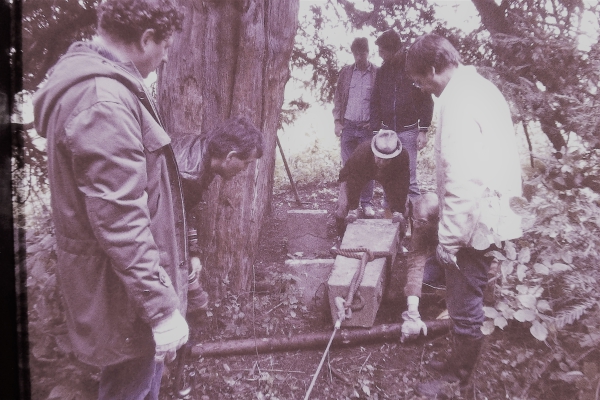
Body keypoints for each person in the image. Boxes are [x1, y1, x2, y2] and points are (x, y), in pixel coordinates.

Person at [31, 0, 242, 398]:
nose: (163, 60)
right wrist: (161, 309)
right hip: (124, 295)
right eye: (164, 50)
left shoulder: (102, 86)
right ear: (147, 40)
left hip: (124, 286)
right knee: (130, 390)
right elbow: (121, 220)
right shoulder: (105, 101)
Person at [405, 34, 523, 396]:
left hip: (476, 217)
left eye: (420, 80)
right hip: (491, 208)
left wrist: (450, 238)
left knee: (463, 297)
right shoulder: (480, 88)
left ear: (434, 68)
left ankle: (458, 379)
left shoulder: (458, 101)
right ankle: (459, 361)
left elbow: (462, 176)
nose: (422, 88)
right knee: (465, 293)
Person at [172, 116, 264, 314]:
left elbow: (184, 210)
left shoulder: (203, 153)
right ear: (230, 156)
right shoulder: (187, 174)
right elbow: (167, 230)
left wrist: (194, 253)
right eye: (246, 163)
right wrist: (191, 284)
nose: (244, 170)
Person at [370, 29, 434, 204]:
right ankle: (390, 223)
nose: (380, 55)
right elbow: (374, 101)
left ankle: (415, 225)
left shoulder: (412, 66)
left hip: (409, 131)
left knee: (410, 180)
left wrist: (423, 130)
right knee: (387, 177)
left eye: (382, 51)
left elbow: (426, 99)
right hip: (387, 133)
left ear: (393, 49)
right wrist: (376, 130)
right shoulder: (382, 71)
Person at [332, 37, 378, 218]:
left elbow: (380, 101)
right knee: (350, 167)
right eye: (356, 53)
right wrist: (337, 121)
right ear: (353, 54)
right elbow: (337, 98)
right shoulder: (345, 73)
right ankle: (352, 206)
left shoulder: (376, 73)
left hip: (367, 128)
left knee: (368, 167)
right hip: (349, 127)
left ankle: (366, 204)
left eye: (363, 53)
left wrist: (375, 122)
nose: (360, 57)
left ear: (368, 52)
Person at [334, 129, 410, 238]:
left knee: (403, 211)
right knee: (343, 206)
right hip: (358, 174)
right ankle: (341, 237)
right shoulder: (362, 152)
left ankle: (398, 241)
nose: (382, 163)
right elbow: (352, 181)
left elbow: (403, 184)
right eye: (379, 158)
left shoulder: (402, 156)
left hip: (390, 176)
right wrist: (352, 208)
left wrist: (398, 210)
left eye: (386, 160)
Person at [400, 192, 445, 343]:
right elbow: (415, 260)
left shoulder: (453, 226)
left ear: (437, 220)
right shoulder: (420, 225)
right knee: (424, 278)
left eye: (421, 222)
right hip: (441, 255)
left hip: (459, 258)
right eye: (414, 220)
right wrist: (412, 311)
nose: (416, 225)